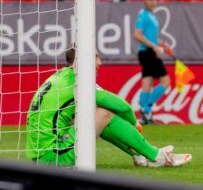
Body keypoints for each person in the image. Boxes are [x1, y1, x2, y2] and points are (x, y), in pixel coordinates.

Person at [26, 47, 191, 168]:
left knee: (88, 115)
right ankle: (155, 156)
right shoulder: (78, 82)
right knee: (103, 112)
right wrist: (135, 124)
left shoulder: (61, 76)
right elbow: (122, 107)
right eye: (95, 57)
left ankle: (141, 154)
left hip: (42, 157)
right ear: (81, 60)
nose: (100, 62)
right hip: (54, 157)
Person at [133, 0, 171, 125]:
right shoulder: (143, 15)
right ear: (145, 1)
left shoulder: (151, 16)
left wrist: (159, 43)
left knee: (147, 83)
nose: (152, 2)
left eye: (154, 0)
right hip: (148, 52)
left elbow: (150, 36)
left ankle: (145, 117)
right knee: (166, 81)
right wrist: (154, 47)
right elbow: (137, 34)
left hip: (147, 51)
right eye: (150, 0)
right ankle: (146, 108)